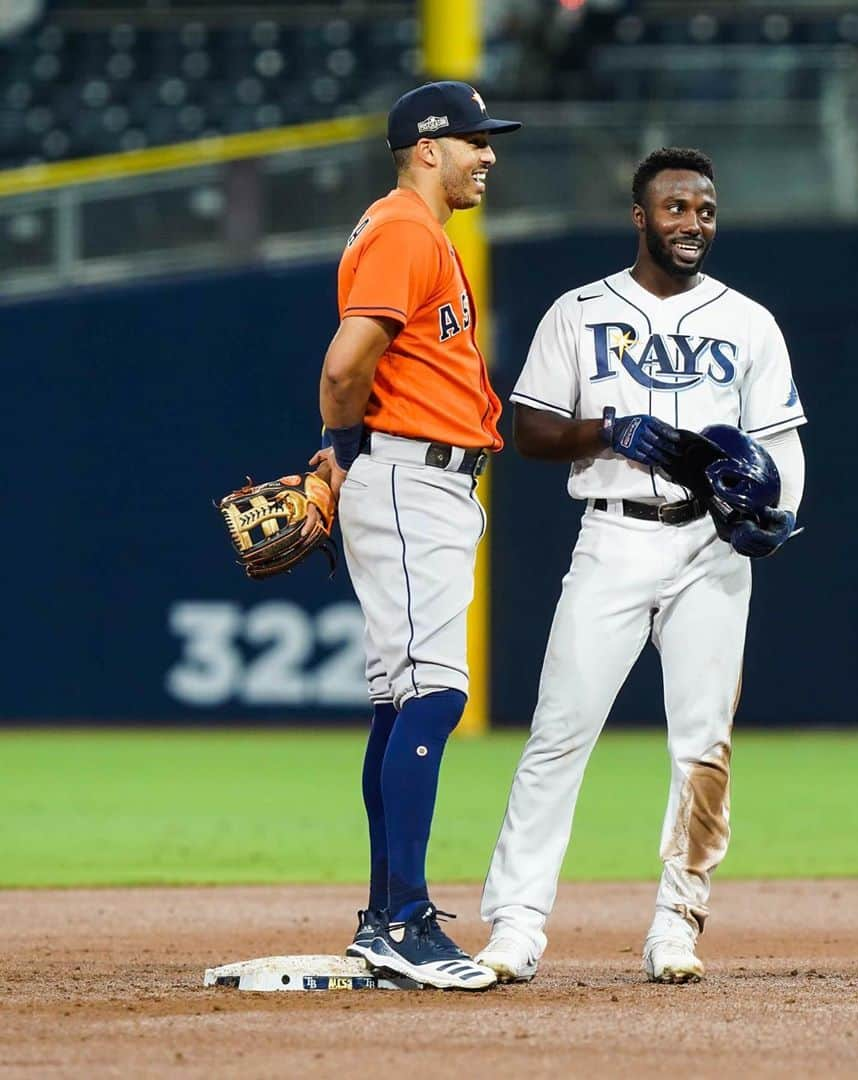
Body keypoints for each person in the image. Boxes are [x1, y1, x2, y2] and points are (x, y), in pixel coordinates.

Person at [474, 147, 807, 984]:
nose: (693, 223)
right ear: (640, 217)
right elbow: (531, 434)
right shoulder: (579, 312)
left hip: (710, 550)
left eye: (704, 209)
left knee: (704, 746)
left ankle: (677, 924)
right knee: (559, 733)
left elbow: (779, 445)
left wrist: (778, 517)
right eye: (676, 208)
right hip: (614, 536)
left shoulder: (749, 322)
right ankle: (516, 926)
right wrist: (607, 430)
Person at [311, 81, 520, 991]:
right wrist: (341, 447)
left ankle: (382, 916)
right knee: (433, 694)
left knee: (404, 697)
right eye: (475, 140)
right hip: (408, 476)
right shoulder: (403, 229)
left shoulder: (407, 229)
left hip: (415, 477)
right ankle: (402, 922)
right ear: (427, 148)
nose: (488, 154)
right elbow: (344, 362)